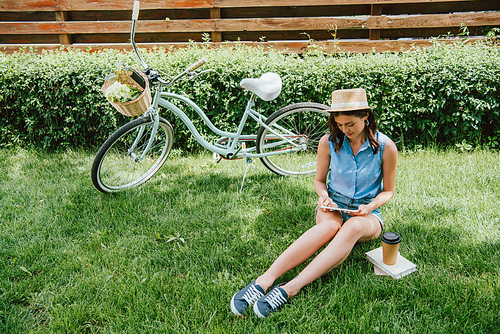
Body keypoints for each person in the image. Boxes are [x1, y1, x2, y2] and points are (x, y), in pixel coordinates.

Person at [230, 88, 398, 318]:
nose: (345, 130)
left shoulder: (386, 146)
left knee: (353, 226)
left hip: (368, 214)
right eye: (339, 125)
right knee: (330, 227)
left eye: (350, 124)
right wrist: (323, 197)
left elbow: (388, 191)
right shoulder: (328, 142)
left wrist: (368, 207)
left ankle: (289, 289)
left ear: (365, 116)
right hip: (333, 205)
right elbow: (319, 181)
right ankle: (262, 282)